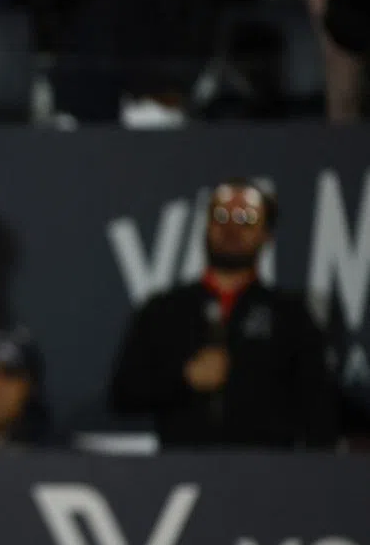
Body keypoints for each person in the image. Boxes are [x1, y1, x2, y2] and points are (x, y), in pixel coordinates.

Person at [109, 178, 338, 448]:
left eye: (245, 219)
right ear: (206, 226)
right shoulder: (164, 310)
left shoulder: (289, 315)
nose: (231, 228)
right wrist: (185, 379)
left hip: (270, 474)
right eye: (221, 216)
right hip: (180, 473)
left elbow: (321, 404)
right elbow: (123, 393)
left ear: (267, 235)